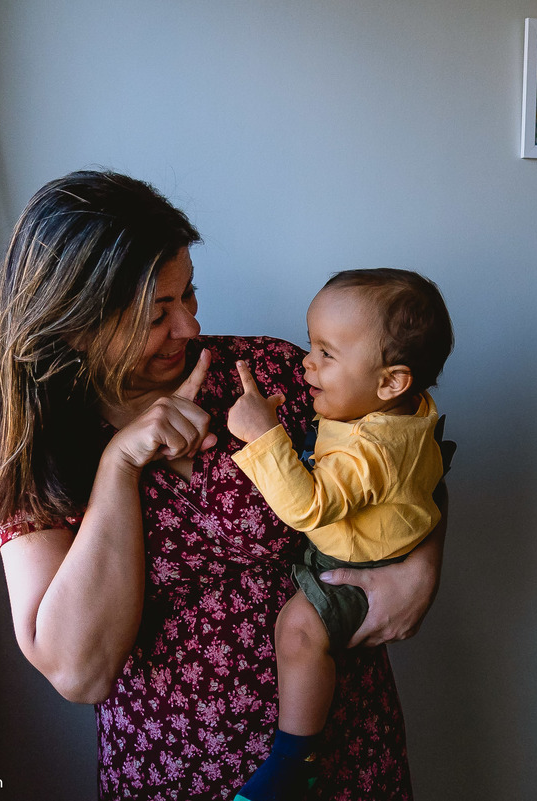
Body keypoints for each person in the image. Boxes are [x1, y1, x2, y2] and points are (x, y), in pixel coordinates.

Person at [0, 170, 446, 800]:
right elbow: (80, 670)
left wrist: (421, 570)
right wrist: (118, 467)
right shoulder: (26, 443)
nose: (189, 327)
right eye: (158, 313)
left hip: (342, 752)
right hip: (175, 770)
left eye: (189, 296)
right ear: (73, 321)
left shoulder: (267, 373)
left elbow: (409, 457)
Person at [226, 269, 453, 801]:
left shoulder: (373, 448)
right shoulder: (391, 408)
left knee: (298, 633)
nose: (307, 363)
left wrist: (264, 436)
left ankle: (290, 763)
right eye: (311, 345)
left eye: (326, 353)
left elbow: (307, 505)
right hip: (367, 536)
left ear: (391, 382)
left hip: (365, 563)